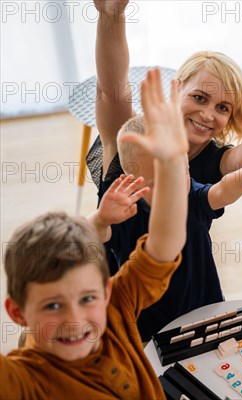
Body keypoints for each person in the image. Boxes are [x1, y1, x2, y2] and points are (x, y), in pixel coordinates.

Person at [1, 69, 188, 398]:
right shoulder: (23, 378)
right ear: (18, 312)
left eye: (87, 299)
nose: (75, 320)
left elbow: (165, 245)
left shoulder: (115, 304)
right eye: (52, 306)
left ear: (104, 291)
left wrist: (172, 164)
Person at [103, 78, 242, 341]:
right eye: (160, 180)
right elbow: (93, 239)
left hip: (206, 309)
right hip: (150, 326)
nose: (174, 184)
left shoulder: (190, 194)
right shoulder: (124, 210)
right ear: (131, 177)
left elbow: (221, 192)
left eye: (180, 170)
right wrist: (101, 219)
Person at [89, 0, 242, 190]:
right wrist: (112, 14)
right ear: (177, 89)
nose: (208, 115)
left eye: (223, 108)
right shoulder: (131, 136)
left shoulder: (216, 162)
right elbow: (112, 86)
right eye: (199, 98)